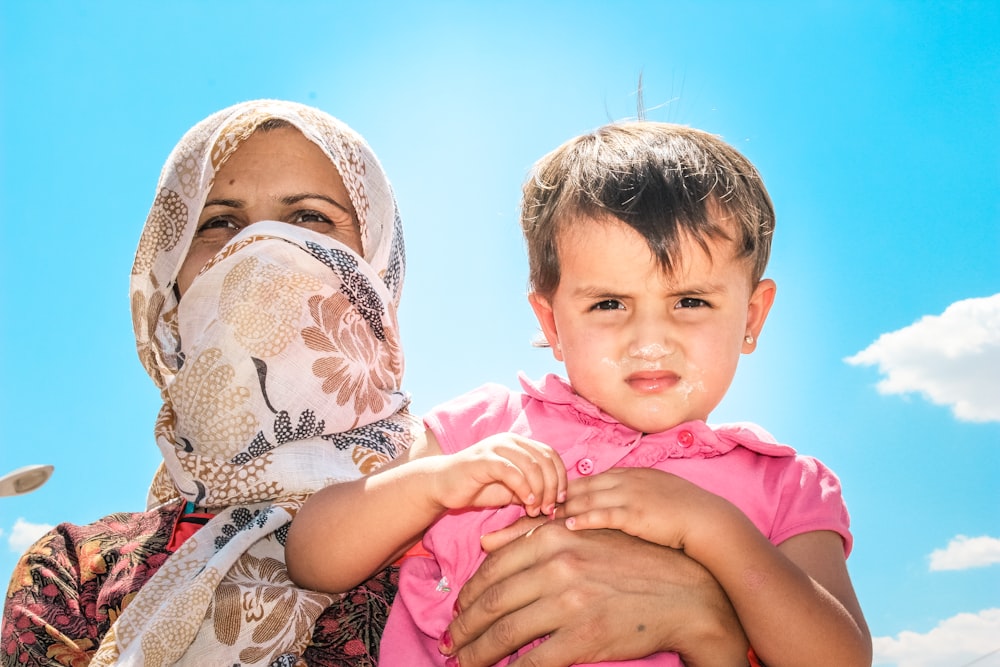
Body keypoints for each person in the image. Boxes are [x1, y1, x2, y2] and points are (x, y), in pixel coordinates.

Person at [2, 102, 750, 667]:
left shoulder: (481, 506)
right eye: (221, 223)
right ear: (164, 280)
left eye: (310, 219)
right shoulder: (77, 572)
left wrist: (711, 624)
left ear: (377, 271)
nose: (266, 250)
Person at [286, 122, 872, 667]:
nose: (650, 341)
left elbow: (839, 657)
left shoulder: (787, 486)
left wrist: (714, 529)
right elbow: (311, 559)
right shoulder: (486, 426)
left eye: (690, 301)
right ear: (551, 324)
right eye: (609, 304)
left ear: (752, 316)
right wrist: (432, 483)